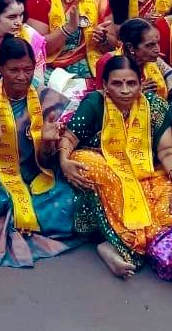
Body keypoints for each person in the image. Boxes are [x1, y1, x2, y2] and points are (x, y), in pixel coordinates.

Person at [0, 36, 79, 267]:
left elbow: (46, 162)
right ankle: (1, 216)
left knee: (70, 201)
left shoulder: (41, 95)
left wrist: (48, 143)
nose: (22, 77)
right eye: (14, 70)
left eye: (28, 69)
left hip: (29, 173)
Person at [59, 56, 172, 278]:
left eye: (131, 83)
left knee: (165, 193)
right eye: (117, 84)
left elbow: (166, 152)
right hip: (106, 167)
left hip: (143, 172)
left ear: (141, 83)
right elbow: (69, 140)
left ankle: (118, 246)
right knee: (90, 165)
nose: (125, 90)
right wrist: (64, 161)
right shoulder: (95, 103)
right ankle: (120, 244)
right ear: (105, 85)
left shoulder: (155, 106)